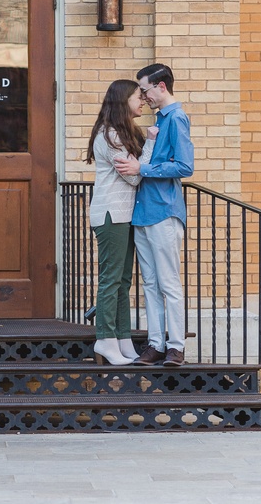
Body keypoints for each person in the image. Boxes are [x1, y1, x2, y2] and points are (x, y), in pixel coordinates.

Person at [114, 63, 194, 367]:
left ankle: (176, 347)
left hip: (163, 211)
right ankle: (156, 344)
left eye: (145, 90)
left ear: (161, 87)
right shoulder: (160, 119)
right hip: (143, 213)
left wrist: (142, 168)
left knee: (169, 283)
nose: (143, 96)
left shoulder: (177, 118)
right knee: (149, 283)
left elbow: (185, 167)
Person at [85, 80, 158, 366]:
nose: (142, 102)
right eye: (138, 97)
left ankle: (122, 339)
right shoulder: (110, 135)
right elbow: (135, 176)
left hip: (124, 214)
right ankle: (105, 339)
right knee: (111, 279)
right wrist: (150, 144)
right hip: (111, 214)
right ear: (122, 100)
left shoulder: (122, 132)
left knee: (123, 280)